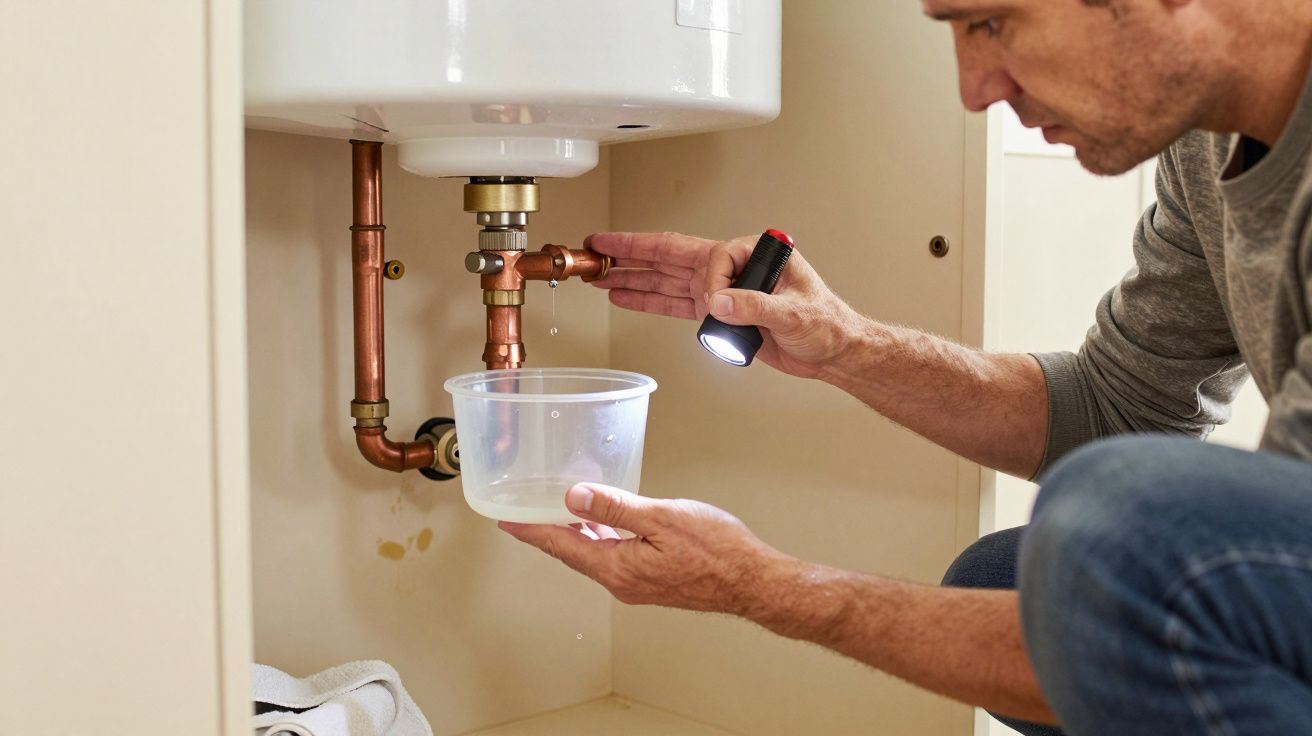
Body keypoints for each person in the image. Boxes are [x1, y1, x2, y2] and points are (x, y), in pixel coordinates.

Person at [498, 0, 1312, 733]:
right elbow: (1115, 409)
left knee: (1114, 531)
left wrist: (757, 585)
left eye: (989, 21)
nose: (973, 88)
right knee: (1004, 584)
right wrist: (843, 345)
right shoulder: (1207, 149)